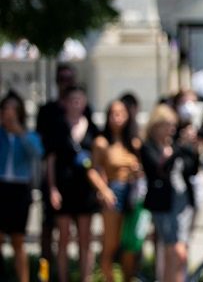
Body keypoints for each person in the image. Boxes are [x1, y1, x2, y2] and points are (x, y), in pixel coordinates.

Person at [47, 85, 102, 282]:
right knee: (63, 237)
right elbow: (51, 160)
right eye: (73, 100)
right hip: (63, 187)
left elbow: (98, 160)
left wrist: (100, 187)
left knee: (85, 239)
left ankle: (85, 278)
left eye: (80, 100)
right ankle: (63, 277)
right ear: (66, 103)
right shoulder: (58, 126)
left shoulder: (93, 128)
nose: (76, 104)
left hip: (86, 189)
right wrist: (52, 188)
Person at [141, 104, 199, 282]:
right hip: (163, 203)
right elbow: (158, 170)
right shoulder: (148, 146)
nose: (172, 129)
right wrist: (174, 153)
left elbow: (192, 169)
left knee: (179, 250)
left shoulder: (174, 144)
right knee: (171, 249)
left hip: (182, 202)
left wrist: (191, 148)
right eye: (169, 125)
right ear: (158, 125)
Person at [91, 100, 143, 282]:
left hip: (132, 193)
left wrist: (137, 171)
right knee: (110, 244)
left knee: (130, 244)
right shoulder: (102, 142)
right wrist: (104, 190)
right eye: (113, 113)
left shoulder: (133, 143)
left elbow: (142, 171)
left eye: (121, 113)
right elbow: (93, 170)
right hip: (113, 193)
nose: (117, 117)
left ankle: (128, 277)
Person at [0, 91, 43, 282]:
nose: (9, 112)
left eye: (13, 109)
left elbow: (37, 153)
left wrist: (19, 132)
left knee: (18, 240)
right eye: (6, 108)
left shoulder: (28, 135)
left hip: (19, 190)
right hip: (1, 187)